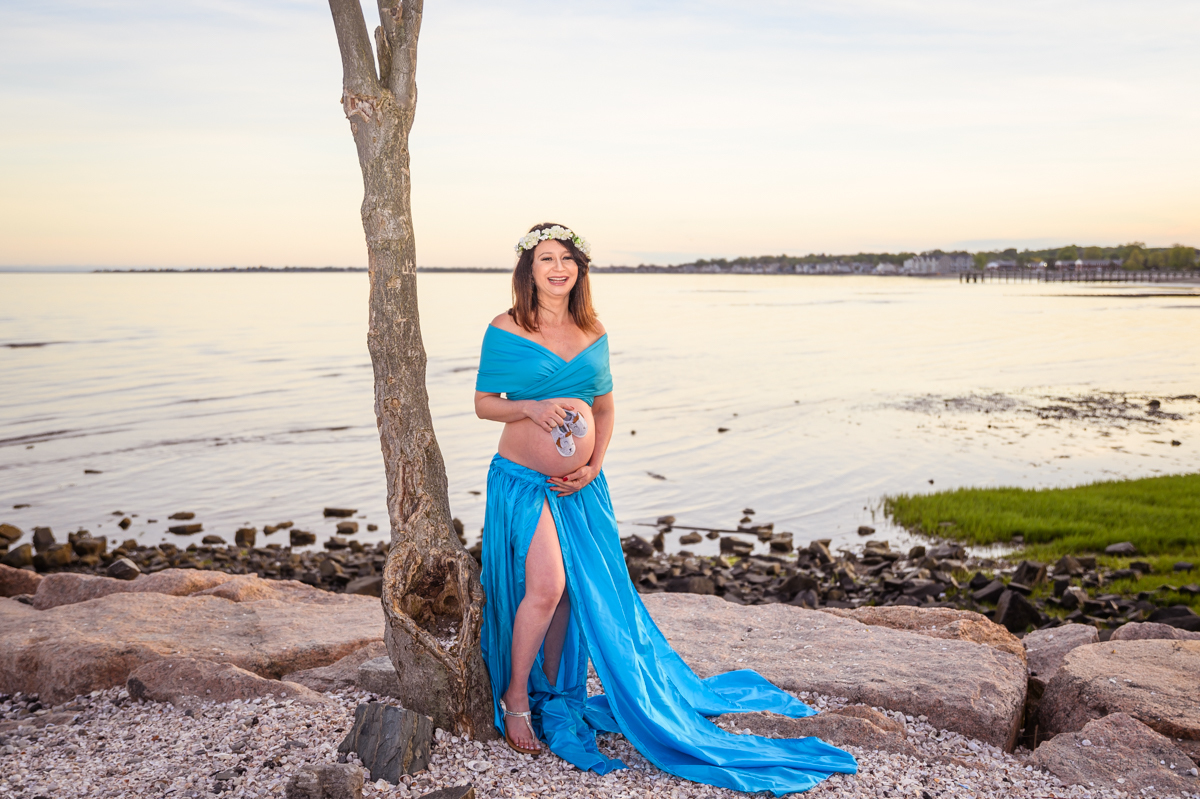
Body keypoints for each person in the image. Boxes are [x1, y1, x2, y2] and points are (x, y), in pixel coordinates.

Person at [474, 223, 857, 795]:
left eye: (567, 260)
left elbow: (603, 409)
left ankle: (555, 689)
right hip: (525, 483)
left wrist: (595, 464)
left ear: (580, 269)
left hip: (578, 485)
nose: (558, 269)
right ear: (528, 269)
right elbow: (484, 405)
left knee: (570, 594)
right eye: (546, 259)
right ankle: (517, 696)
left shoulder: (592, 330)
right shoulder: (506, 328)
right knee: (549, 586)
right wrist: (531, 408)